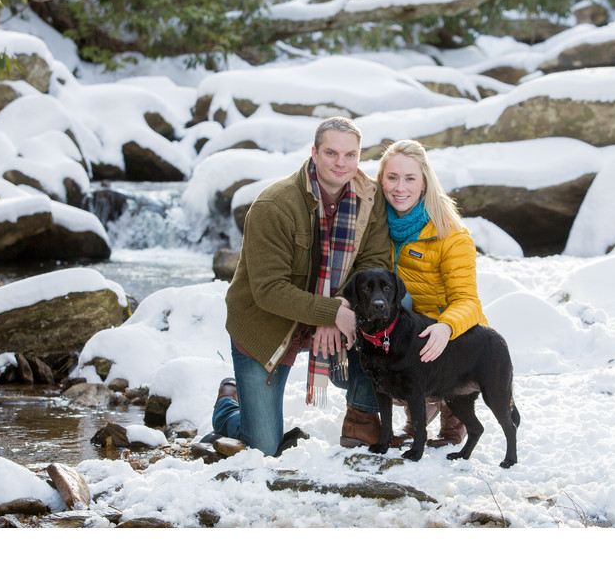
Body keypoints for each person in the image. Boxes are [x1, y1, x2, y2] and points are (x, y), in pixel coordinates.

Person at [209, 116, 391, 457]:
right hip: (267, 325)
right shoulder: (274, 205)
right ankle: (228, 405)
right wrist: (331, 311)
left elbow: (373, 266)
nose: (341, 163)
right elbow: (268, 290)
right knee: (262, 445)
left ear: (359, 157)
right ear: (314, 153)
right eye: (331, 153)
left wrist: (336, 310)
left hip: (335, 312)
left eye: (350, 155)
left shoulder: (370, 201)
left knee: (395, 317)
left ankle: (361, 417)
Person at [377, 139, 488, 447]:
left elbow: (468, 300)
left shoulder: (451, 235)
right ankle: (420, 407)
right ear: (381, 180)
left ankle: (454, 414)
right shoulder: (374, 227)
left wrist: (447, 327)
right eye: (392, 177)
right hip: (406, 333)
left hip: (445, 335)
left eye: (410, 178)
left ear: (425, 182)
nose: (400, 188)